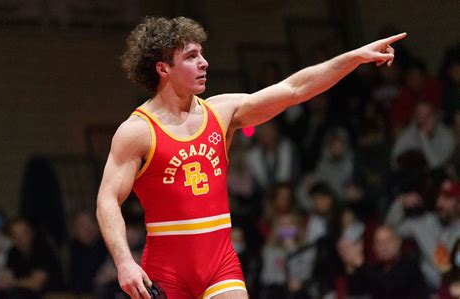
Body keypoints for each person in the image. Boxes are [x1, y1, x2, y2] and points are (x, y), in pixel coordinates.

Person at [95, 16, 406, 299]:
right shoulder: (137, 131)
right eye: (191, 57)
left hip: (220, 266)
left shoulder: (222, 112)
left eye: (202, 54)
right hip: (166, 272)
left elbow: (295, 88)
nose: (204, 63)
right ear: (163, 68)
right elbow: (107, 199)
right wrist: (124, 262)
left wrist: (353, 58)